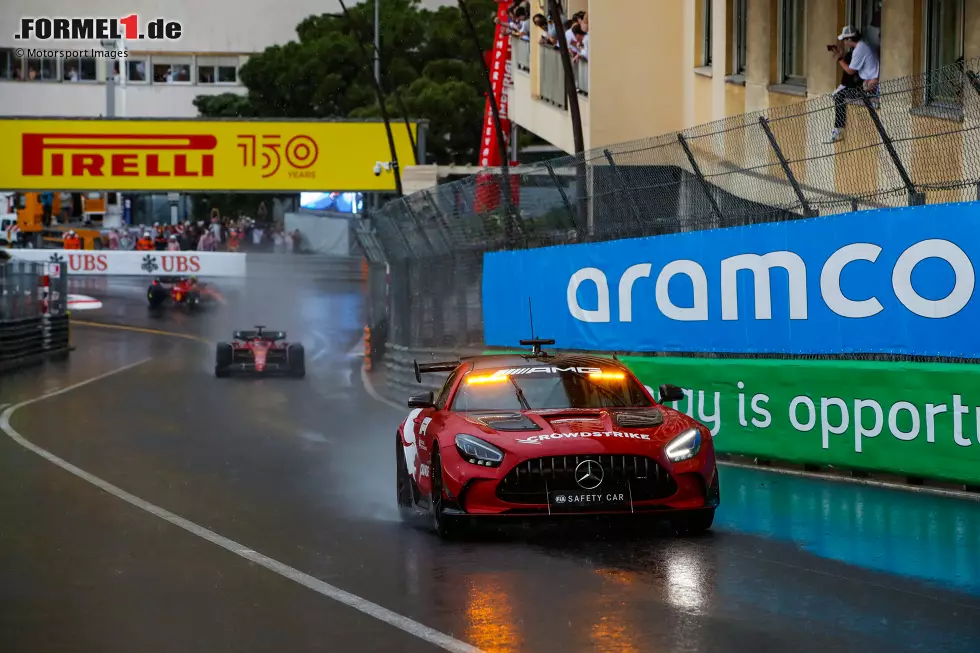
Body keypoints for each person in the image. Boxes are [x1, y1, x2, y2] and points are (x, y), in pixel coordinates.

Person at [825, 26, 880, 144]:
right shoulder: (861, 46)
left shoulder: (860, 48)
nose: (844, 42)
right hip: (864, 79)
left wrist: (839, 58)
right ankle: (842, 87)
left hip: (870, 84)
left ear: (850, 39)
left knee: (839, 96)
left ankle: (838, 130)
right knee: (848, 60)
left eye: (845, 40)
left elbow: (850, 71)